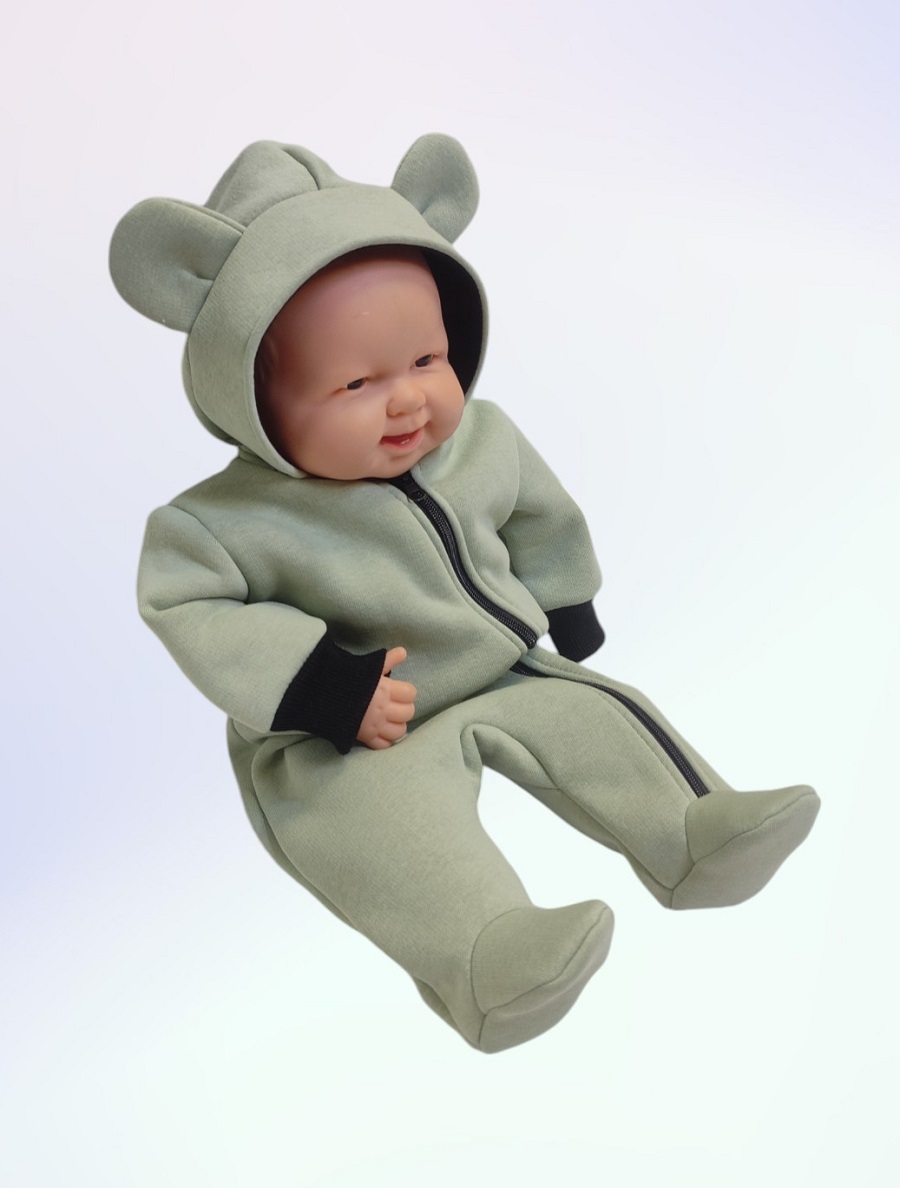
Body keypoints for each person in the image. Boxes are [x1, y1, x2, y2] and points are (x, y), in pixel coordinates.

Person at [110, 134, 820, 1053]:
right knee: (395, 837)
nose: (408, 402)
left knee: (601, 717)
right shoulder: (223, 522)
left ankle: (693, 830)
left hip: (499, 667)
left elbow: (540, 513)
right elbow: (190, 608)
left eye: (425, 361)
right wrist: (325, 689)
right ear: (250, 394)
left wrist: (566, 600)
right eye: (356, 382)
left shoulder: (481, 440)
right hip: (357, 730)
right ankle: (490, 959)